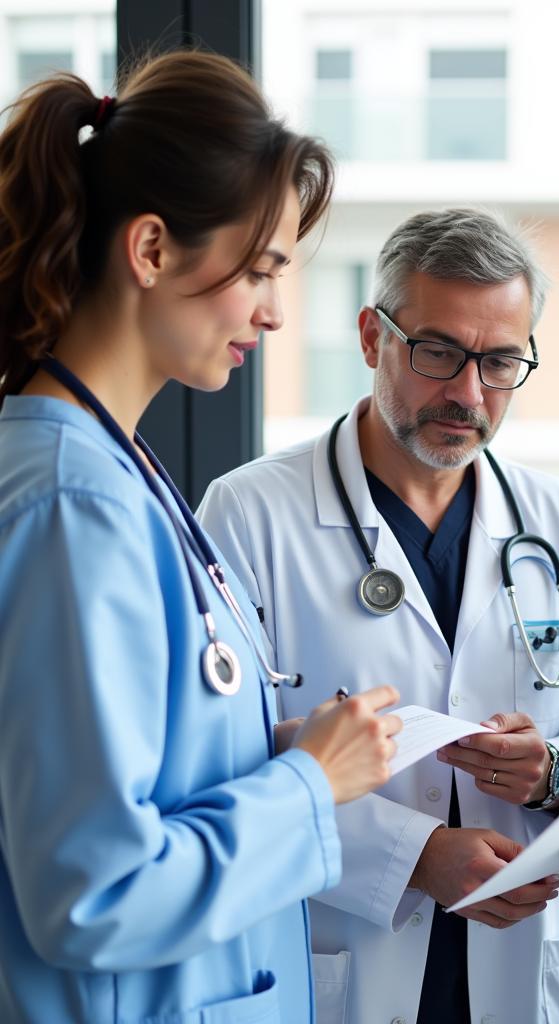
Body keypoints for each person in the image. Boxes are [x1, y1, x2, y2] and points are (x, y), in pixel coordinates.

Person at [0, 51, 403, 1024]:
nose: (271, 310)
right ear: (149, 251)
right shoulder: (72, 503)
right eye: (259, 269)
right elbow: (95, 894)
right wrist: (309, 783)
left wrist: (263, 747)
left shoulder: (104, 462)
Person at [198, 207, 559, 1023]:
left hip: (520, 964)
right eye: (439, 351)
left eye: (502, 361)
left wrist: (550, 769)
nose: (469, 393)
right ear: (373, 338)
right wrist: (413, 857)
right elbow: (218, 764)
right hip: (341, 959)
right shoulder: (248, 514)